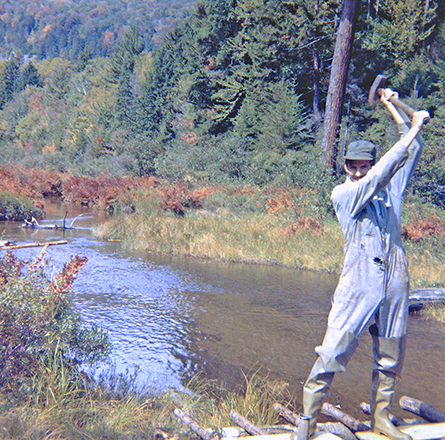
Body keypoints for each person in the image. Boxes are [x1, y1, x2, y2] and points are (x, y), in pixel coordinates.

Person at [302, 88, 430, 440]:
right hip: (358, 284)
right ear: (345, 166)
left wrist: (392, 105)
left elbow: (410, 149)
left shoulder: (390, 193)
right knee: (331, 354)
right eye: (352, 166)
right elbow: (379, 175)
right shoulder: (344, 194)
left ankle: (381, 419)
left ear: (370, 164)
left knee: (390, 356)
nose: (358, 172)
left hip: (394, 281)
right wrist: (415, 128)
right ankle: (307, 426)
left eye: (364, 165)